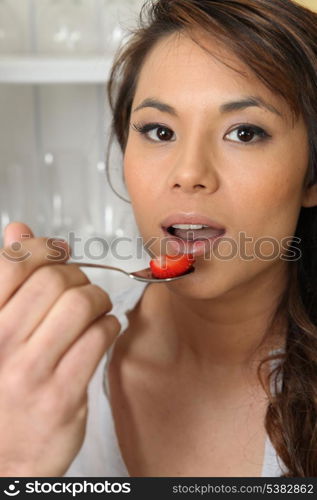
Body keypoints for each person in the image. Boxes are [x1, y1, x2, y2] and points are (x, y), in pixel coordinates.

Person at [0, 0, 316, 478]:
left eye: (245, 133)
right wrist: (16, 467)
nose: (188, 173)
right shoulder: (29, 377)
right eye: (159, 130)